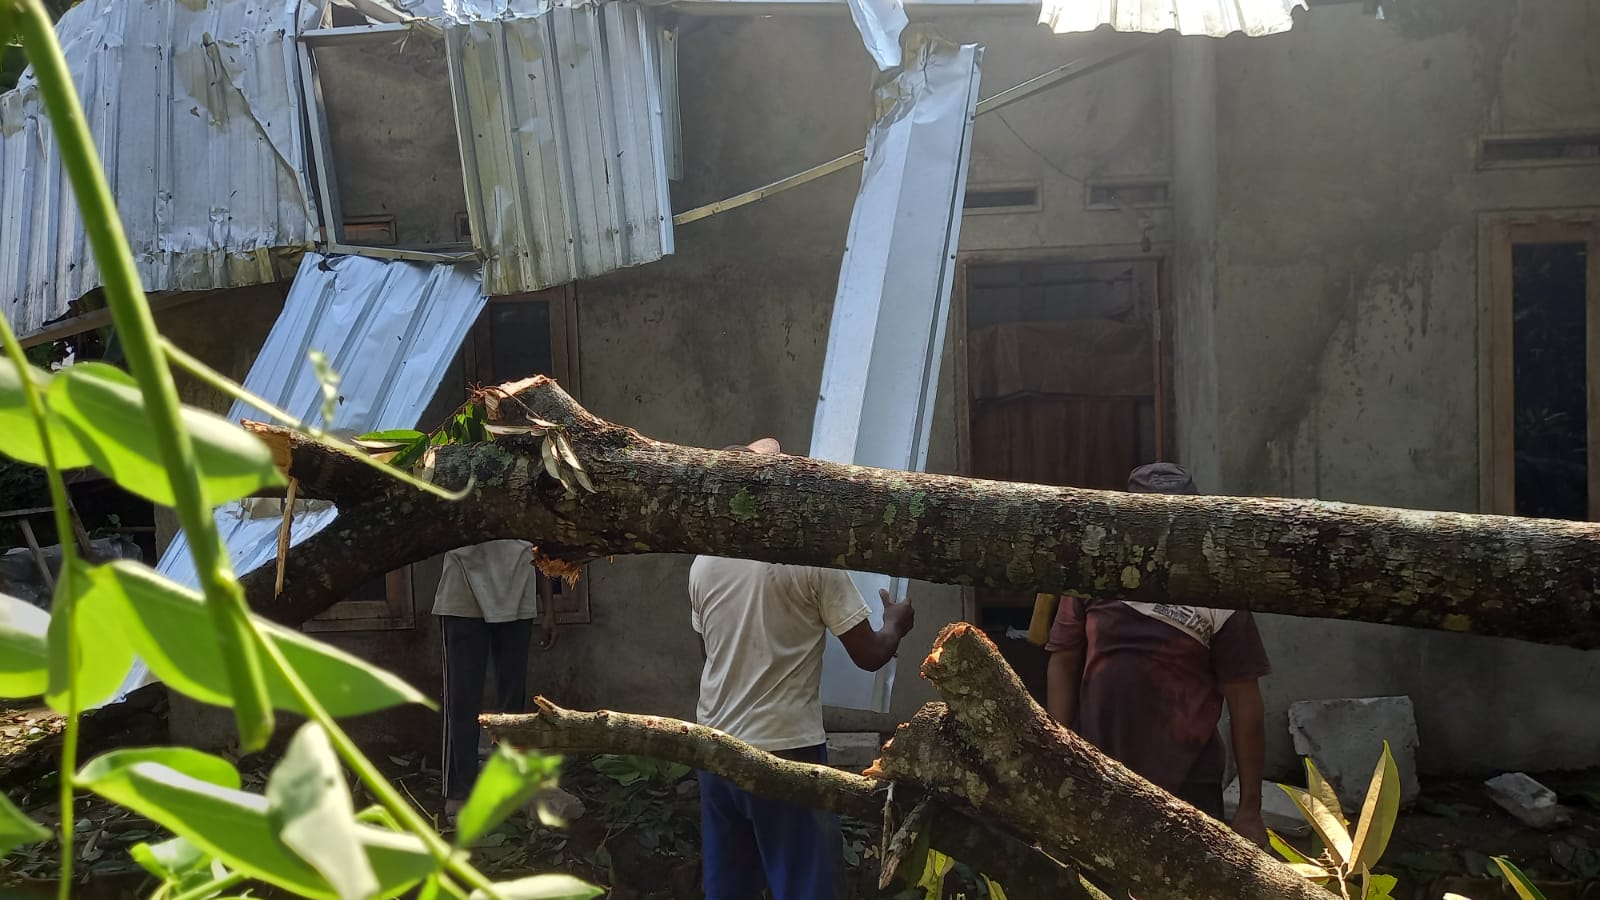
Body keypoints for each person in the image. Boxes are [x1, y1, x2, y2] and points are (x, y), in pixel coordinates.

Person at [691, 437, 916, 900]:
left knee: (728, 889)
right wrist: (895, 624)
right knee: (806, 888)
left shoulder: (704, 563)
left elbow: (708, 655)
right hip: (787, 752)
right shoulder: (808, 560)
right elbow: (870, 655)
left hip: (714, 749)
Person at [1044, 462, 1271, 847]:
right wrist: (1058, 748)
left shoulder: (1217, 590)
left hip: (1190, 781)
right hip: (1101, 768)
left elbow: (1245, 702)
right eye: (1152, 520)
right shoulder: (1095, 574)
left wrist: (1250, 808)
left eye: (1176, 520)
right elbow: (1064, 659)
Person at [433, 539, 559, 822]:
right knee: (462, 700)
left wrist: (549, 609)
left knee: (512, 704)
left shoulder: (527, 510)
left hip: (517, 593)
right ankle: (459, 790)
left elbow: (543, 549)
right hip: (463, 597)